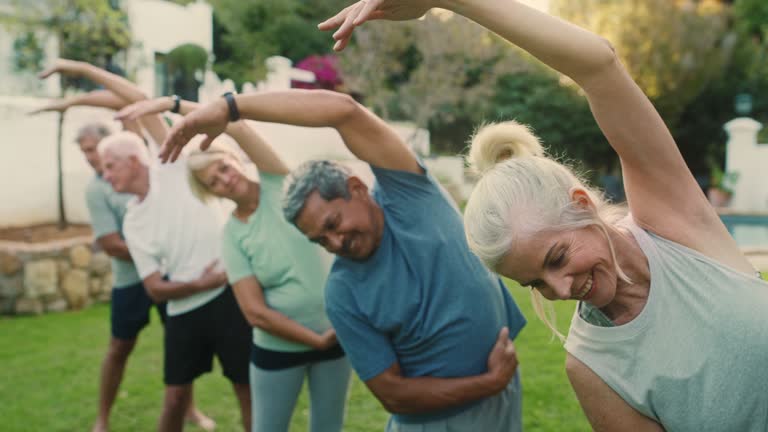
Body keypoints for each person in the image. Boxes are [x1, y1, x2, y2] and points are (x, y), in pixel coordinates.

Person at [318, 0, 768, 431]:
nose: (561, 290)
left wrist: (452, 1)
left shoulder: (675, 223)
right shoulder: (593, 367)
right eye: (534, 283)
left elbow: (598, 67)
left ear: (581, 203)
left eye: (555, 258)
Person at [159, 80, 525, 432]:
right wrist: (487, 382)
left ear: (356, 188)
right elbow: (392, 393)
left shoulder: (408, 193)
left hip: (504, 393)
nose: (335, 242)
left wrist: (230, 106)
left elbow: (343, 112)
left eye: (333, 223)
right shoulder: (343, 293)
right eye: (320, 240)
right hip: (443, 419)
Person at [116, 96, 352, 432]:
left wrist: (174, 103)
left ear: (236, 160)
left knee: (329, 427)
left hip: (336, 336)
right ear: (211, 193)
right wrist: (314, 340)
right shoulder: (233, 236)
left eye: (224, 168)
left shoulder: (279, 184)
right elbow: (255, 312)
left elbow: (236, 121)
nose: (224, 180)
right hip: (280, 349)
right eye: (213, 181)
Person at [33, 62, 214, 432]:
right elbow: (113, 246)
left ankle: (190, 410)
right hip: (133, 279)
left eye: (92, 150)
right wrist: (153, 253)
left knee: (178, 349)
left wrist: (74, 86)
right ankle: (103, 419)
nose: (90, 158)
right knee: (119, 348)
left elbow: (133, 100)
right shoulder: (97, 189)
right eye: (84, 151)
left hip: (170, 271)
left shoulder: (152, 162)